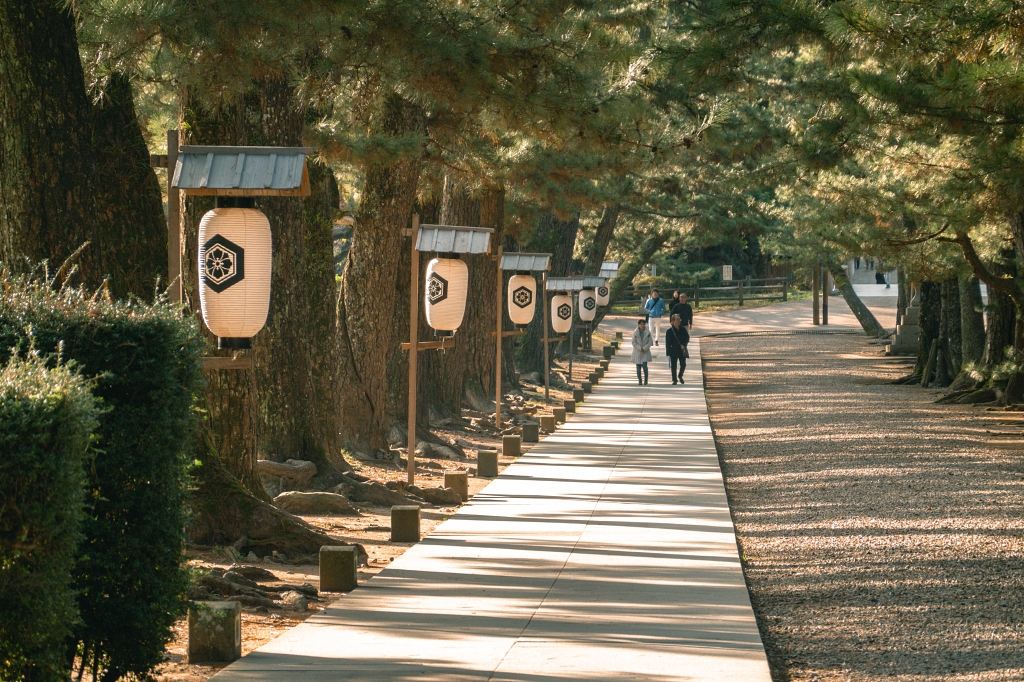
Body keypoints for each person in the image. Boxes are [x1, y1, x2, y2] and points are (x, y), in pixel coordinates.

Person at [665, 314, 690, 385]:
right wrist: (668, 353)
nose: (679, 321)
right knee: (674, 366)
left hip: (682, 350)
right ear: (673, 321)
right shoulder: (669, 331)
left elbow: (687, 338)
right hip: (673, 350)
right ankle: (674, 379)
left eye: (679, 319)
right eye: (677, 319)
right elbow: (668, 343)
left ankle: (680, 375)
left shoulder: (683, 329)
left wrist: (684, 345)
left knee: (683, 364)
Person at [631, 318, 653, 385]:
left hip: (645, 351)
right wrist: (639, 348)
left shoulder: (648, 332)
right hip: (638, 351)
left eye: (644, 324)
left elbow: (650, 342)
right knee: (638, 367)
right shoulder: (635, 332)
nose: (643, 326)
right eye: (641, 324)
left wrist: (645, 348)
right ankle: (640, 380)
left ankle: (646, 380)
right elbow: (633, 342)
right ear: (638, 325)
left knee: (645, 366)